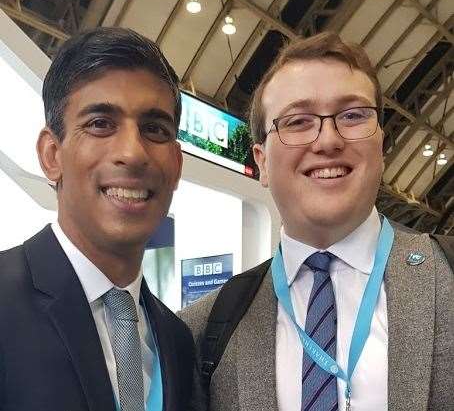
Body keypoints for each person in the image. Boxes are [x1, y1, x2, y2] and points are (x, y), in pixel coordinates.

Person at [179, 32, 454, 411]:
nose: (327, 140)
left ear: (381, 144)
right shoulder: (206, 328)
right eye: (297, 121)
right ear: (261, 161)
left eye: (353, 115)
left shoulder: (447, 277)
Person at [0, 27, 194, 411]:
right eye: (101, 124)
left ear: (175, 166)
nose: (132, 153)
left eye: (154, 129)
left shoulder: (178, 342)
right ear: (51, 154)